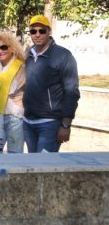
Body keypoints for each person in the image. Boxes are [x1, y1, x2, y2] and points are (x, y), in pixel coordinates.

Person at [23, 15, 80, 153]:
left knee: (43, 166)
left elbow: (71, 91)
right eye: (33, 31)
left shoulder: (63, 56)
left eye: (41, 31)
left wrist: (66, 125)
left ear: (49, 31)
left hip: (50, 123)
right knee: (33, 165)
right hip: (28, 122)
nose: (37, 35)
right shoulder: (29, 55)